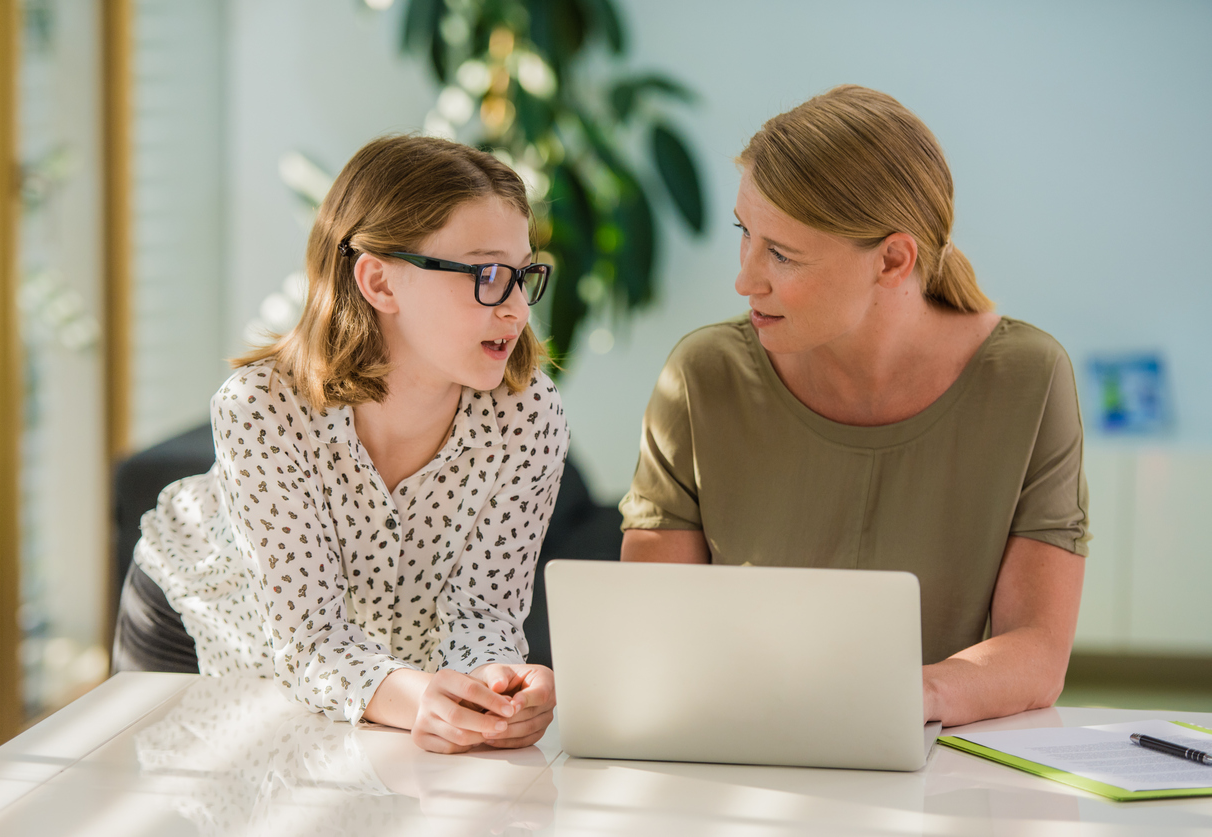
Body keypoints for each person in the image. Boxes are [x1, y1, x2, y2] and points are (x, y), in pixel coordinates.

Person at [620, 86, 1089, 728]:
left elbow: (1036, 654)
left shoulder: (1030, 379)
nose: (745, 279)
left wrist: (909, 698)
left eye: (781, 254)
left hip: (934, 772)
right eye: (745, 234)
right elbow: (647, 629)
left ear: (893, 260)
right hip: (734, 753)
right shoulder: (702, 376)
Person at [132, 135, 568, 753]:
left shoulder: (530, 416)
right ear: (380, 283)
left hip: (373, 668)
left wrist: (492, 687)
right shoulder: (260, 409)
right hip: (199, 619)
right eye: (489, 275)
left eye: (524, 275)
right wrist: (422, 699)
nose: (519, 310)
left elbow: (483, 616)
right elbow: (310, 641)